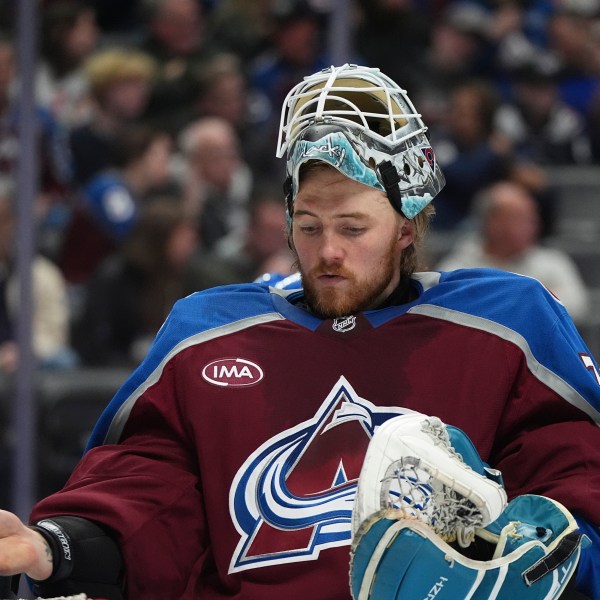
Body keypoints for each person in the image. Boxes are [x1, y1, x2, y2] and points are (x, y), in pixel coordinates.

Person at [0, 64, 599, 600]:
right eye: (308, 227)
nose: (328, 251)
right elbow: (150, 495)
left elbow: (576, 482)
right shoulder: (206, 333)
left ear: (407, 228)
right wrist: (56, 547)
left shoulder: (507, 324)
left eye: (353, 227)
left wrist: (552, 555)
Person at [437, 179, 591, 324]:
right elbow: (446, 309)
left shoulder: (552, 262)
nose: (534, 225)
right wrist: (535, 298)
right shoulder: (458, 268)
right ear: (493, 223)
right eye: (521, 218)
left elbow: (577, 305)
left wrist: (498, 302)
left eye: (533, 218)